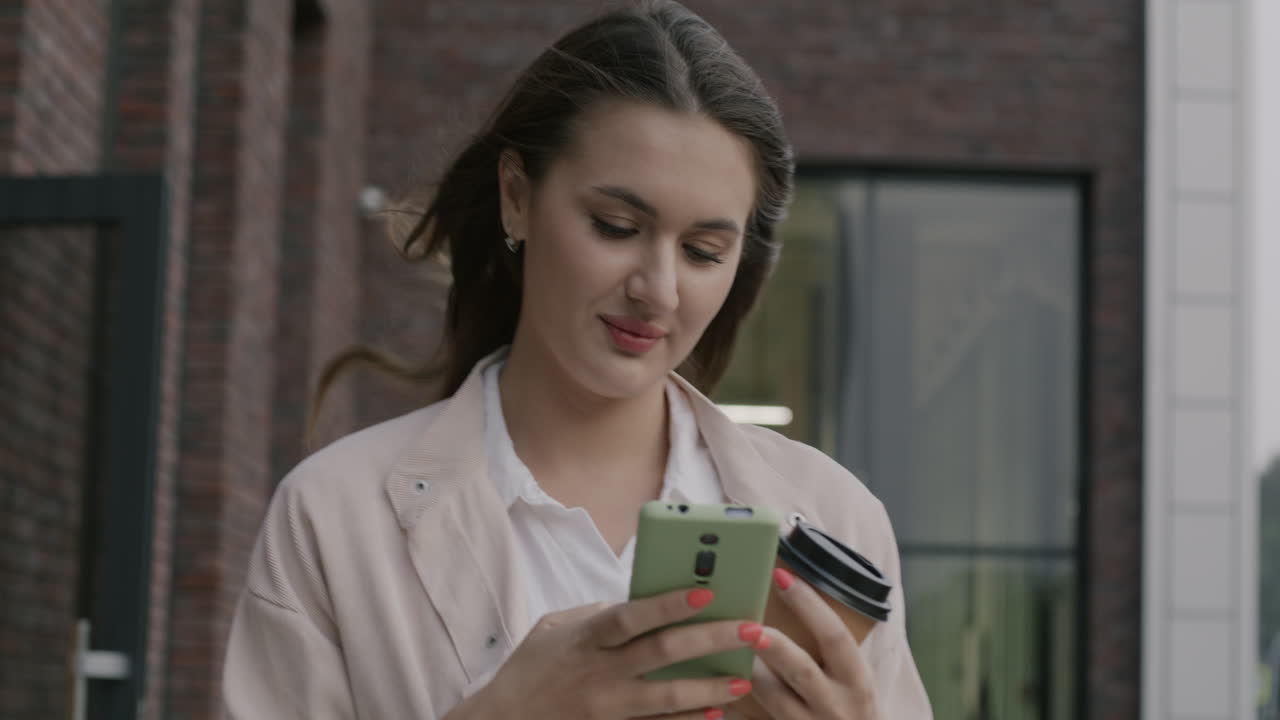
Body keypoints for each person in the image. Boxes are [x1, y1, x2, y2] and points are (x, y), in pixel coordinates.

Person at [221, 2, 932, 718]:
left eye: (703, 252)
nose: (657, 290)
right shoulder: (336, 518)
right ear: (516, 197)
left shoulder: (836, 518)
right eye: (616, 227)